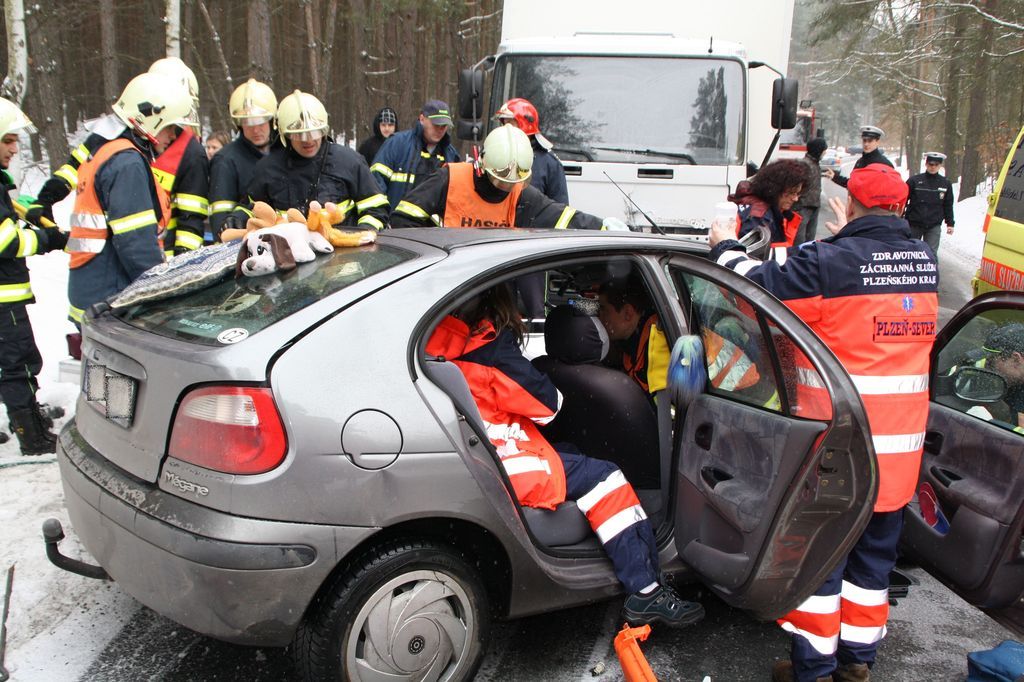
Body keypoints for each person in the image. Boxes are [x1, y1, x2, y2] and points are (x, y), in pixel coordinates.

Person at [709, 163, 938, 682]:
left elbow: (751, 287)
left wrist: (724, 242)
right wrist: (851, 235)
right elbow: (867, 278)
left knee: (819, 563)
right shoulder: (925, 262)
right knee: (871, 566)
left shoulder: (830, 263)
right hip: (899, 457)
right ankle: (857, 663)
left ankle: (811, 669)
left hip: (841, 450)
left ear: (848, 204)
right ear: (901, 208)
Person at [426, 283, 705, 628]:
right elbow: (548, 407)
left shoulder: (434, 340)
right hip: (504, 458)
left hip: (477, 447)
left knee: (570, 453)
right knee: (607, 478)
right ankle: (647, 591)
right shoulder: (490, 351)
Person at [22, 58, 208, 256]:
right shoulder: (110, 133)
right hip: (106, 256)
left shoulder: (191, 153)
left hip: (158, 259)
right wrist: (46, 199)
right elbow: (74, 168)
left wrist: (182, 265)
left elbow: (192, 218)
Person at [66, 72, 192, 326]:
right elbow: (135, 242)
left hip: (92, 287)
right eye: (170, 127)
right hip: (111, 295)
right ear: (150, 120)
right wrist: (161, 291)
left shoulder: (107, 151)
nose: (172, 136)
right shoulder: (127, 163)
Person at [0, 98, 68, 456]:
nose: (15, 148)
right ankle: (31, 436)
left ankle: (25, 421)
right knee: (18, 363)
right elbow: (6, 240)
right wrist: (48, 239)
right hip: (4, 299)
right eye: (8, 140)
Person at [390, 125, 615, 231]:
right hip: (448, 281)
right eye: (500, 181)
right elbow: (404, 218)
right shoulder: (450, 179)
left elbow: (562, 217)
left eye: (513, 183)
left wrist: (603, 227)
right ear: (482, 165)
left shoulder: (521, 195)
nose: (505, 189)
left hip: (492, 284)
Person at [226, 90, 389, 231]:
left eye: (314, 133)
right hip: (291, 258)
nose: (309, 140)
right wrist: (239, 217)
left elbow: (376, 207)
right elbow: (254, 207)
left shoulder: (349, 162)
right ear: (285, 136)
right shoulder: (268, 169)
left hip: (344, 259)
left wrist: (363, 234)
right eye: (299, 135)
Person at [209, 79, 278, 240]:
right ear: (238, 124)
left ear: (272, 120)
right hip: (246, 246)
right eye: (247, 122)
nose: (255, 129)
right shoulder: (225, 161)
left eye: (261, 121)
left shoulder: (284, 154)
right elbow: (221, 225)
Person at [371, 99, 460, 209]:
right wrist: (382, 216)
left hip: (433, 225)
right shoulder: (396, 144)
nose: (440, 129)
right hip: (396, 223)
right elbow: (375, 184)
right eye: (436, 124)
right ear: (422, 119)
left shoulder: (451, 155)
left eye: (444, 125)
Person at [728, 158, 808, 262]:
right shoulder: (760, 218)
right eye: (792, 193)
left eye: (798, 193)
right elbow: (751, 259)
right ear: (777, 189)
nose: (795, 198)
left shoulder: (763, 209)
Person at [495, 98, 568, 204]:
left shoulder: (549, 164)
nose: (506, 129)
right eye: (504, 124)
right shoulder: (494, 157)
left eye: (510, 124)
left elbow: (560, 210)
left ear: (525, 126)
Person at [904, 152, 955, 258]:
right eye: (931, 164)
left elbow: (948, 204)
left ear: (940, 166)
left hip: (933, 225)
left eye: (936, 165)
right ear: (926, 164)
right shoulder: (914, 181)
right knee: (910, 252)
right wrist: (899, 217)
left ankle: (931, 274)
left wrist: (950, 223)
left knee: (931, 254)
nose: (933, 167)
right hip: (914, 223)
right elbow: (903, 199)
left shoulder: (945, 183)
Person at [826, 125, 893, 188]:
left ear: (877, 142)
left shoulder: (885, 164)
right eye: (864, 140)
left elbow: (890, 190)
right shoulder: (860, 162)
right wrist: (835, 177)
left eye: (870, 141)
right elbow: (853, 184)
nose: (866, 144)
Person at [793, 137, 828, 244]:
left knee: (809, 240)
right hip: (802, 207)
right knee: (799, 240)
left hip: (814, 206)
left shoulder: (815, 163)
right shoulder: (803, 164)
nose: (825, 153)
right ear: (818, 150)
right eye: (824, 150)